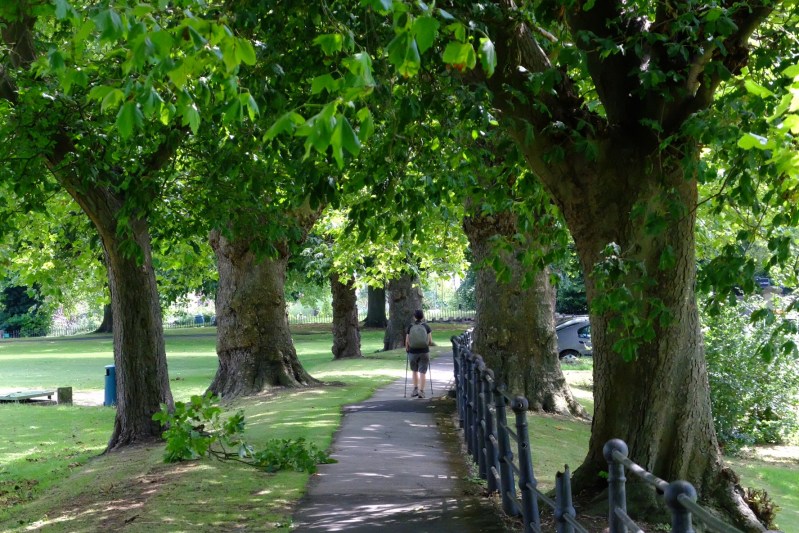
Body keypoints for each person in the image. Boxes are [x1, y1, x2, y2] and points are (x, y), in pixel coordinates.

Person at [405, 309, 432, 398]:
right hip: (424, 351)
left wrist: (407, 349)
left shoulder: (410, 327)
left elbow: (407, 341)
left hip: (413, 352)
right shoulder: (426, 327)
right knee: (422, 372)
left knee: (414, 371)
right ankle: (422, 391)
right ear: (423, 316)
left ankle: (415, 389)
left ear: (414, 317)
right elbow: (430, 341)